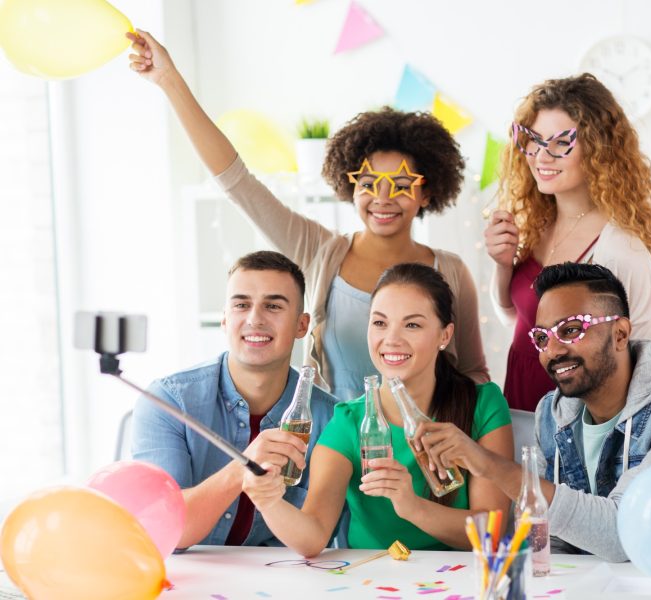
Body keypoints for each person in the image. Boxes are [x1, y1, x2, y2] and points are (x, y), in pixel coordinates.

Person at [127, 30, 489, 402]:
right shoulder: (320, 251)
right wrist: (169, 81)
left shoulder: (451, 272)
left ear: (426, 191)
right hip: (334, 445)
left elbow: (473, 375)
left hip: (425, 451)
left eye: (400, 184)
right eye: (368, 183)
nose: (383, 198)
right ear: (350, 185)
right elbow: (237, 182)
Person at [413, 263, 651, 560]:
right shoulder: (552, 413)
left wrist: (489, 465)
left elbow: (628, 535)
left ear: (620, 333)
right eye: (542, 338)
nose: (553, 350)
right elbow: (548, 542)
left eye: (571, 330)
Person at [240, 263, 513, 555]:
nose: (391, 339)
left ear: (444, 336)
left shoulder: (482, 404)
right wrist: (268, 501)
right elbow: (313, 536)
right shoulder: (348, 422)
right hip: (371, 584)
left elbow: (491, 531)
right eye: (380, 323)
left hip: (460, 583)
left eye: (412, 325)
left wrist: (413, 507)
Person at [484, 73, 651, 412]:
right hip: (520, 405)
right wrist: (502, 266)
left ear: (598, 150)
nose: (541, 157)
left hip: (577, 420)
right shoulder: (534, 223)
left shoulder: (620, 248)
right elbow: (520, 320)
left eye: (560, 143)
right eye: (532, 140)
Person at [131, 251, 338, 548]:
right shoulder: (167, 402)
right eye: (242, 305)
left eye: (273, 306)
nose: (255, 319)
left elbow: (317, 539)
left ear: (301, 326)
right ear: (225, 319)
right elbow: (168, 532)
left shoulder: (330, 418)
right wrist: (242, 468)